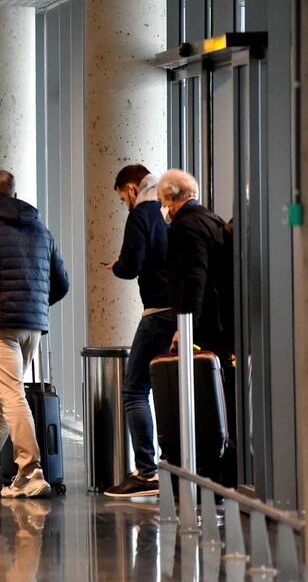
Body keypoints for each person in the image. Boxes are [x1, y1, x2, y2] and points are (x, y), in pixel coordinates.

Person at [0, 170, 69, 498]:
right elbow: (60, 281)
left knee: (11, 396)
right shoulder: (39, 227)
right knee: (4, 397)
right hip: (31, 324)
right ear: (15, 192)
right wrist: (33, 305)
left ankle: (31, 471)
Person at [156, 168, 236, 483]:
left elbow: (194, 278)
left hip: (205, 326)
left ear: (171, 198)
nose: (164, 207)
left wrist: (184, 326)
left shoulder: (186, 226)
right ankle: (221, 463)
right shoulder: (211, 220)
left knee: (202, 394)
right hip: (223, 324)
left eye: (163, 200)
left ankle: (204, 470)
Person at [102, 165, 172, 498]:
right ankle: (174, 466)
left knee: (134, 390)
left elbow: (131, 265)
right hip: (183, 313)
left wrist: (118, 265)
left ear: (131, 187)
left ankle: (147, 471)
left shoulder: (142, 213)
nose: (125, 204)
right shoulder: (170, 209)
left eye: (122, 198)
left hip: (158, 311)